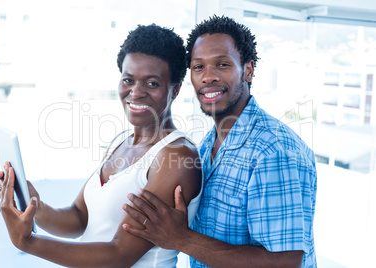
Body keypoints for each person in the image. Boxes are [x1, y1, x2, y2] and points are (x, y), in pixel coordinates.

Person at [0, 24, 202, 268]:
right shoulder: (121, 142)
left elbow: (120, 254)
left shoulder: (176, 157)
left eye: (152, 83)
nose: (135, 93)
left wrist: (28, 242)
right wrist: (34, 204)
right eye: (128, 79)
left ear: (175, 90)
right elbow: (79, 218)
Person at [122, 15, 317, 268]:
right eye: (198, 67)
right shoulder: (207, 145)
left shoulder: (273, 150)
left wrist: (182, 239)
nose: (208, 77)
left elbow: (285, 262)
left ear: (248, 70)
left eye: (222, 65)